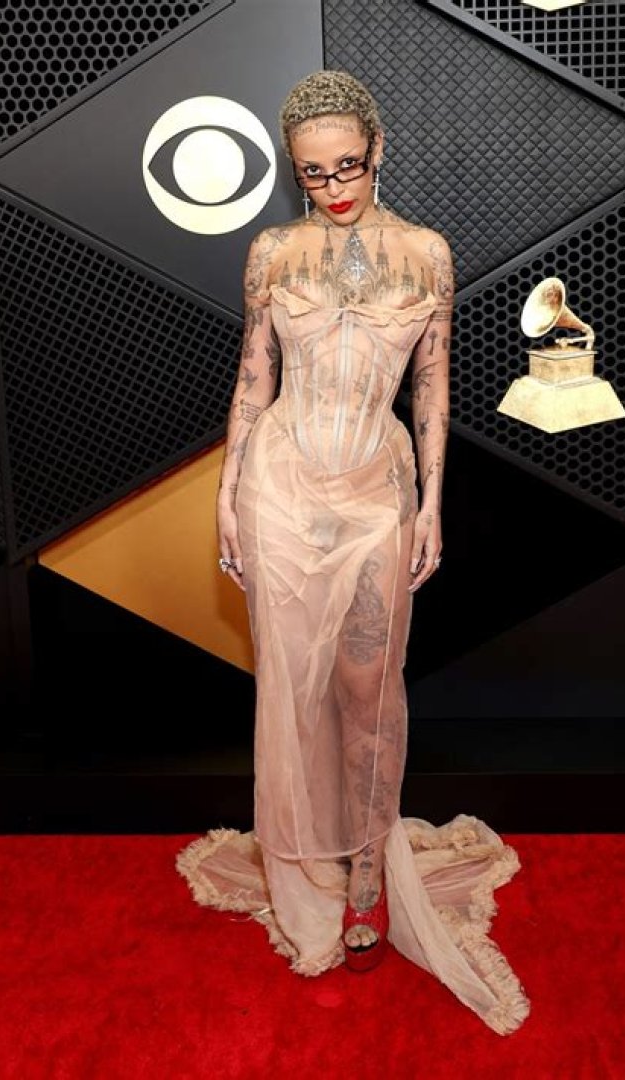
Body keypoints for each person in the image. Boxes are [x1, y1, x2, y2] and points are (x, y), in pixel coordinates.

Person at [176, 69, 530, 1035]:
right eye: (312, 173)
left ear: (378, 153)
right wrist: (226, 495)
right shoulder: (273, 253)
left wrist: (433, 505)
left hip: (377, 490)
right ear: (293, 171)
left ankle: (369, 869)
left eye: (348, 166)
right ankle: (303, 887)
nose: (332, 187)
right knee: (288, 693)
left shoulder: (426, 254)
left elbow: (433, 389)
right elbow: (253, 381)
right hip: (281, 490)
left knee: (368, 689)